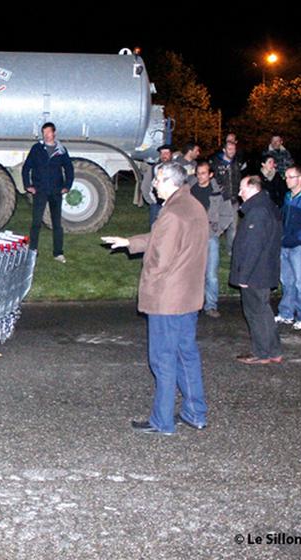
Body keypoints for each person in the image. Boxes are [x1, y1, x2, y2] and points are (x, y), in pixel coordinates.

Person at [102, 162, 209, 435]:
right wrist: (130, 242)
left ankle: (162, 421)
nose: (153, 185)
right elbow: (163, 238)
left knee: (162, 359)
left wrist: (147, 275)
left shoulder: (172, 213)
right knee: (186, 355)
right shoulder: (192, 206)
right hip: (188, 296)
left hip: (167, 299)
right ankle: (195, 413)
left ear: (171, 183)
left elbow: (161, 257)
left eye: (158, 181)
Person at [229, 176, 283, 364]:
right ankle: (273, 349)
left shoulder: (258, 211)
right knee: (263, 310)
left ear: (252, 188)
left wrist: (244, 275)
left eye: (242, 188)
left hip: (256, 273)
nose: (239, 192)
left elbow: (254, 246)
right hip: (262, 270)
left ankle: (263, 352)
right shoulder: (265, 206)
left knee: (256, 312)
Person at [22, 122, 74, 263]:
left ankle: (58, 253)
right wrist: (28, 185)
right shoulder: (37, 149)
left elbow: (69, 169)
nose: (46, 135)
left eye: (48, 132)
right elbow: (26, 167)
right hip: (40, 190)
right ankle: (33, 250)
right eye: (44, 132)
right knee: (36, 222)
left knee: (57, 223)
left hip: (56, 191)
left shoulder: (61, 150)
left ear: (54, 133)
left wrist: (67, 186)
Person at [190, 161, 234, 318]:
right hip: (192, 237)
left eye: (203, 173)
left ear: (210, 174)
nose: (200, 176)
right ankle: (194, 304)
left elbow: (228, 213)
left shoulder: (218, 192)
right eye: (198, 173)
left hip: (210, 237)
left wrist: (218, 230)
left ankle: (211, 305)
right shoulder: (190, 190)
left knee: (211, 274)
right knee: (193, 272)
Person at [275, 166, 301, 330]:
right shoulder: (288, 197)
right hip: (285, 245)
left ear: (300, 178)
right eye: (286, 176)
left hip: (299, 247)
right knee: (287, 281)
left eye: (290, 177)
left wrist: (296, 238)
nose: (286, 180)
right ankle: (286, 313)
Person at [210, 140, 244, 254]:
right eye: (229, 149)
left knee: (233, 226)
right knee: (216, 225)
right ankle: (212, 247)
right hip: (220, 199)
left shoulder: (237, 164)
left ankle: (231, 250)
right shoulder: (216, 163)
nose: (232, 151)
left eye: (234, 149)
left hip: (233, 199)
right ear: (224, 150)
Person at [140, 144, 174, 226]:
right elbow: (145, 186)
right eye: (162, 153)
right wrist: (151, 202)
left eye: (166, 153)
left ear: (171, 154)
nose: (164, 156)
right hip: (157, 205)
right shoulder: (154, 168)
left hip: (174, 205)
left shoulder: (177, 169)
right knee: (155, 229)